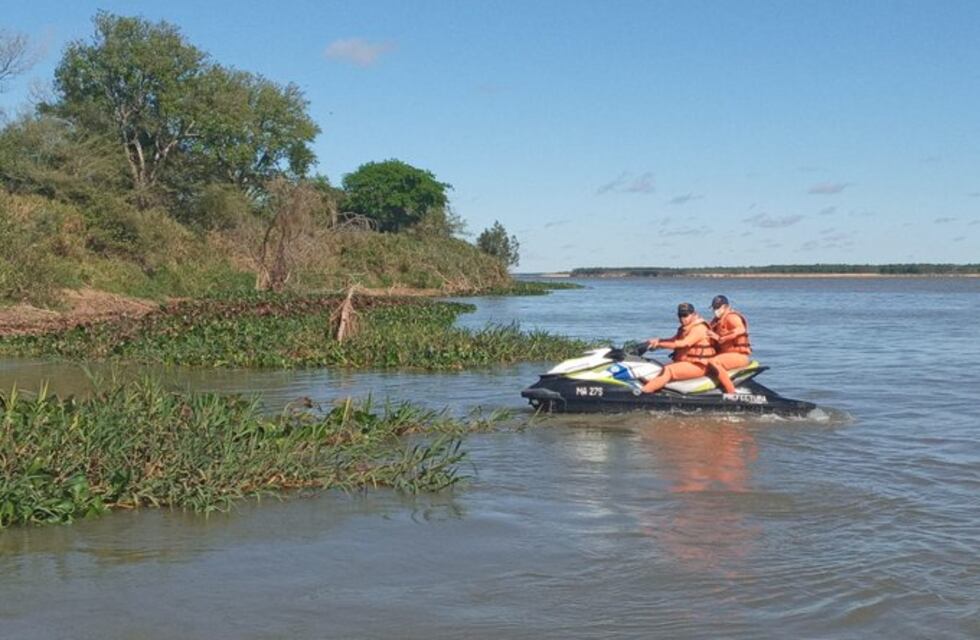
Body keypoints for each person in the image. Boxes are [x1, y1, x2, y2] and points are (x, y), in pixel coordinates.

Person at [642, 302, 717, 394]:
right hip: (687, 363)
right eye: (680, 315)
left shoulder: (699, 328)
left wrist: (660, 344)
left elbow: (684, 344)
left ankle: (642, 393)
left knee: (669, 370)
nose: (682, 319)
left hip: (699, 366)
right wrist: (655, 342)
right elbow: (672, 340)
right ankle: (654, 390)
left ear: (694, 314)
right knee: (657, 369)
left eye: (685, 315)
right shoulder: (685, 328)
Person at [706, 294, 752, 394]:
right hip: (725, 356)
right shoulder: (716, 321)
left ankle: (731, 393)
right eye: (714, 307)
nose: (715, 310)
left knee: (714, 362)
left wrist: (720, 338)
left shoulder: (731, 317)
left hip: (739, 356)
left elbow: (740, 329)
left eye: (717, 307)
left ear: (725, 307)